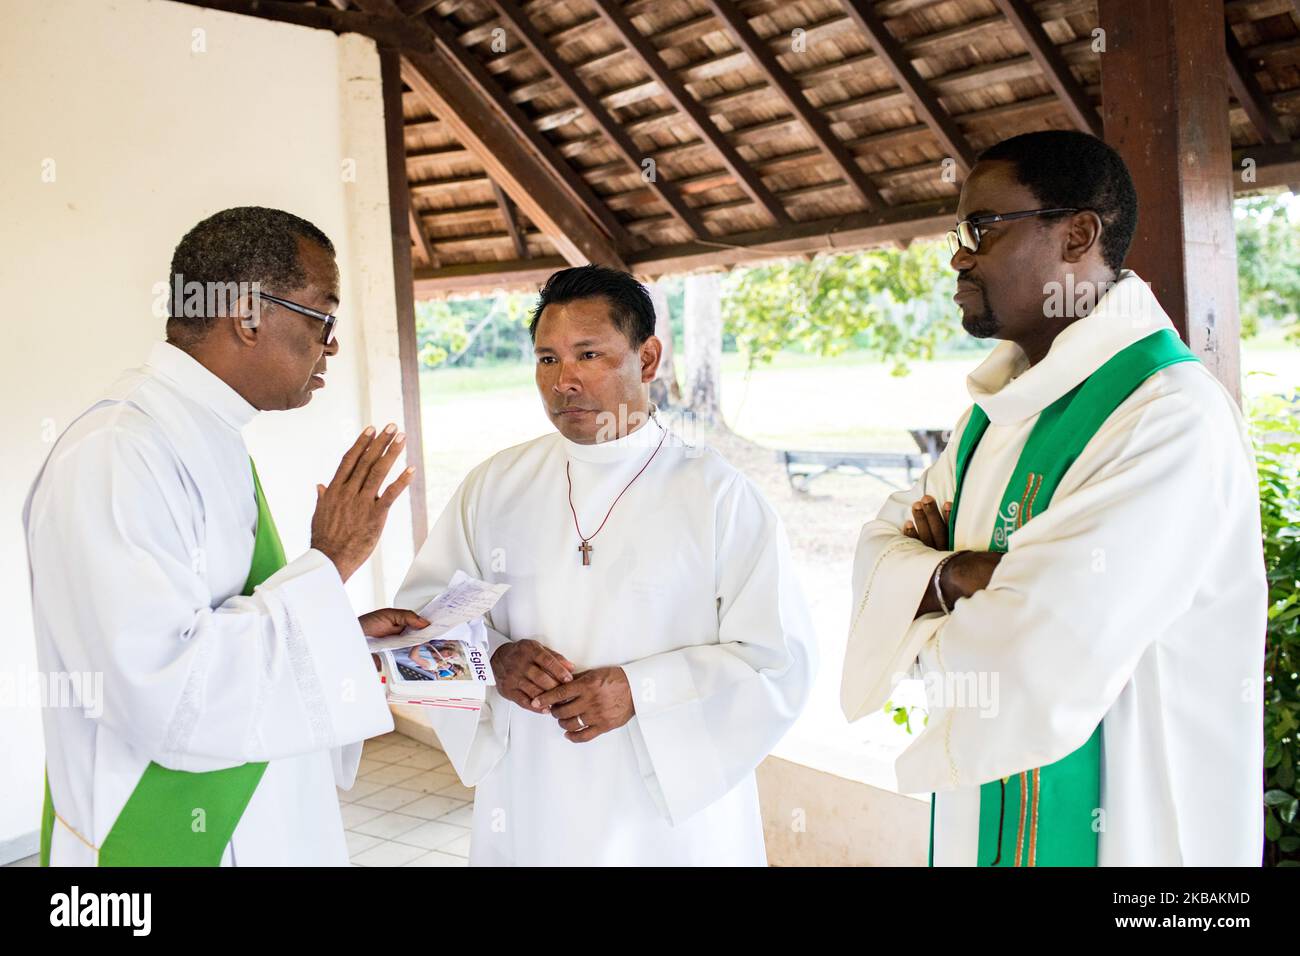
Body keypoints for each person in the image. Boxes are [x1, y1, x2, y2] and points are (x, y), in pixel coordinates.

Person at [841, 131, 1266, 866]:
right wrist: (952, 575)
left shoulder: (1166, 413)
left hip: (1132, 822)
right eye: (959, 232)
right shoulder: (996, 410)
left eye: (982, 228)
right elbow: (880, 548)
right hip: (983, 805)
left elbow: (1049, 638)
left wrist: (931, 593)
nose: (958, 256)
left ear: (1077, 234)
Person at [26, 206, 425, 866]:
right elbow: (165, 688)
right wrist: (329, 562)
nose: (332, 345)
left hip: (251, 813)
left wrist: (336, 630)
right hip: (161, 835)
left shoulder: (200, 431)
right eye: (323, 316)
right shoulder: (118, 452)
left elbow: (219, 619)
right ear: (247, 314)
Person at [396, 265, 817, 865]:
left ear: (647, 359)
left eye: (587, 354)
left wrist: (639, 690)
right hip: (531, 792)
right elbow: (416, 623)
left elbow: (779, 660)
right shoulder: (495, 486)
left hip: (668, 813)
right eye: (546, 360)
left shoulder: (718, 496)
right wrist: (491, 659)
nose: (564, 381)